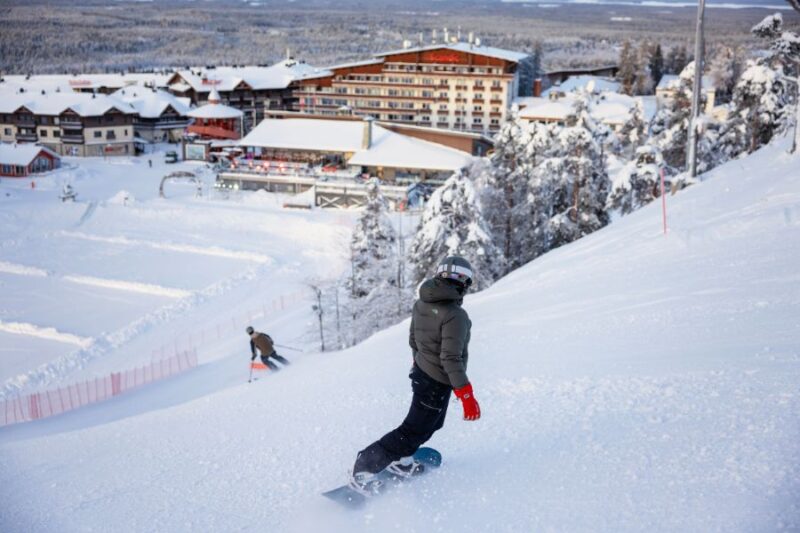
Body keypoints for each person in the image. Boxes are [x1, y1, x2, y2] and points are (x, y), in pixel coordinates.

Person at [348, 256, 481, 494]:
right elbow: (451, 358)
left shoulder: (422, 302)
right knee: (413, 430)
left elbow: (413, 339)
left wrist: (419, 363)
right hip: (436, 380)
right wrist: (466, 394)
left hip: (423, 373)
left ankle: (401, 461)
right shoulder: (455, 315)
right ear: (462, 281)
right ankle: (364, 467)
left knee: (430, 424)